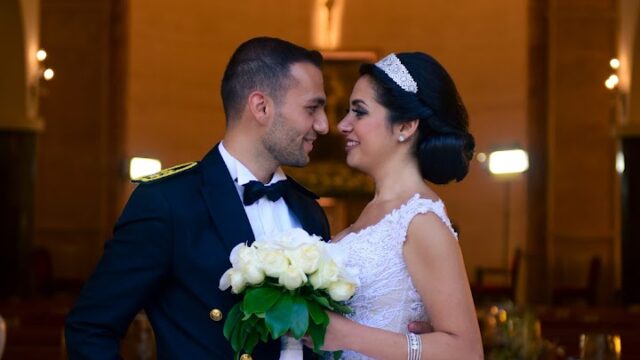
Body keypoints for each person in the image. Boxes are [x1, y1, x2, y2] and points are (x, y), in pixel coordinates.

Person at [64, 37, 332, 359]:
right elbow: (90, 329)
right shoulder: (168, 203)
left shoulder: (309, 211)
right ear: (261, 106)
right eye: (312, 108)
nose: (324, 125)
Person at [311, 52, 483, 359]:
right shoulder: (375, 211)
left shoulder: (420, 220)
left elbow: (467, 351)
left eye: (359, 112)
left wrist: (348, 335)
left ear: (405, 125)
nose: (343, 124)